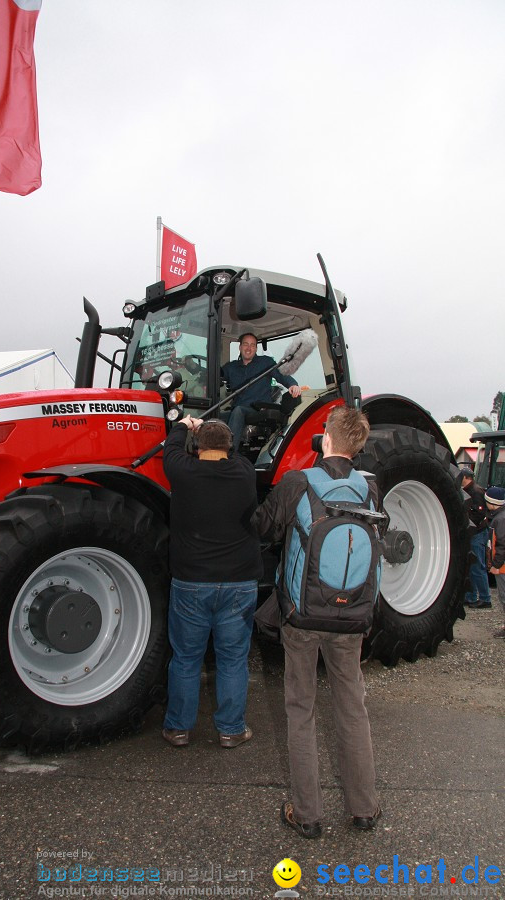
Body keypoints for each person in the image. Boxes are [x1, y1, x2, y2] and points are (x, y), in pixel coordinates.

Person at [252, 406, 381, 838]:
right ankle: (364, 808)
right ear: (357, 446)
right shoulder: (370, 489)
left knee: (300, 709)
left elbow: (264, 529)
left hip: (303, 616)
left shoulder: (298, 483)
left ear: (325, 438)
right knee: (352, 708)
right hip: (352, 619)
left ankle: (307, 815)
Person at [161, 415, 263, 748]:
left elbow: (171, 449)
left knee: (186, 658)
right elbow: (234, 456)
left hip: (191, 582)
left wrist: (185, 425)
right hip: (239, 583)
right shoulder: (244, 473)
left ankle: (178, 728)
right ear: (229, 447)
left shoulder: (182, 472)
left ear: (198, 447)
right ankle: (231, 729)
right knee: (233, 659)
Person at [221, 333, 301, 450]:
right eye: (245, 344)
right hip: (236, 409)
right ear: (240, 347)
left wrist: (292, 384)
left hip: (257, 409)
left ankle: (229, 454)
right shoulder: (230, 367)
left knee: (238, 411)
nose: (249, 348)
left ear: (256, 348)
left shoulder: (265, 363)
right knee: (214, 416)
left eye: (252, 345)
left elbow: (281, 374)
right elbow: (216, 375)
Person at [460, 466, 491, 609]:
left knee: (478, 566)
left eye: (461, 477)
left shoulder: (476, 492)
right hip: (474, 533)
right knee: (471, 565)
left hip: (478, 533)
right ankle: (471, 597)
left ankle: (485, 598)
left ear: (467, 478)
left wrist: (465, 523)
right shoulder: (468, 491)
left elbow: (479, 514)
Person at [485, 486, 505, 639]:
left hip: (502, 567)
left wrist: (496, 565)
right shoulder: (499, 517)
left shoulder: (500, 519)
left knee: (504, 597)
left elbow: (502, 544)